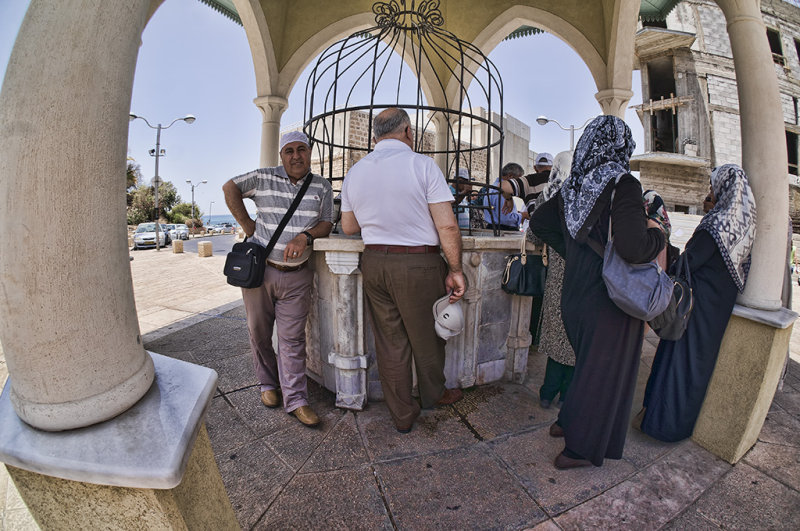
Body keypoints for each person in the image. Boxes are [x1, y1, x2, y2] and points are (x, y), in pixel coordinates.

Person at [530, 115, 666, 469]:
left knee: (587, 366)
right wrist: (659, 234)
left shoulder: (575, 183)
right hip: (609, 300)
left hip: (574, 295)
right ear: (621, 145)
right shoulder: (623, 184)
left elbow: (539, 223)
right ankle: (577, 450)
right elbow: (634, 247)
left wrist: (577, 254)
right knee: (601, 375)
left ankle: (565, 423)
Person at [339, 107, 466, 433]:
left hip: (375, 262)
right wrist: (456, 269)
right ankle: (431, 395)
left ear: (374, 137)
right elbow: (448, 226)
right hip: (417, 264)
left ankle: (402, 415)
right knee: (427, 339)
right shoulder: (422, 165)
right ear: (408, 132)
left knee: (390, 343)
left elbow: (349, 226)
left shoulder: (356, 171)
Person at [222, 131, 334, 427]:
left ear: (309, 153)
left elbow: (327, 222)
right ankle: (268, 384)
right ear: (281, 155)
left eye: (301, 150)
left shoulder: (322, 186)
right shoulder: (263, 176)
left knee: (292, 340)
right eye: (289, 151)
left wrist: (305, 235)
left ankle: (297, 399)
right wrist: (247, 224)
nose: (296, 156)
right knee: (258, 332)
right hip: (260, 272)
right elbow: (229, 187)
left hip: (298, 275)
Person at [640, 164, 756, 442]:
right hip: (716, 313)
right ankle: (678, 426)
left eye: (713, 187)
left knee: (677, 364)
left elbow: (689, 262)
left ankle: (662, 426)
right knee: (695, 368)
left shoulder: (716, 225)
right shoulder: (742, 228)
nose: (709, 193)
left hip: (694, 309)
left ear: (724, 189)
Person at [530, 151, 575, 409]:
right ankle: (567, 394)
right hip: (583, 270)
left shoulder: (546, 196)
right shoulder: (583, 197)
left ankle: (547, 392)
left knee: (558, 330)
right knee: (572, 334)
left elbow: (535, 236)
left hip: (556, 270)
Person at [483, 162, 524, 231]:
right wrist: (522, 216)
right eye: (517, 180)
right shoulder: (501, 191)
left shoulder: (492, 188)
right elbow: (505, 218)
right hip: (503, 230)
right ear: (510, 176)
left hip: (494, 228)